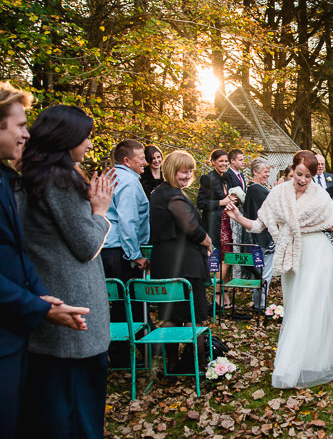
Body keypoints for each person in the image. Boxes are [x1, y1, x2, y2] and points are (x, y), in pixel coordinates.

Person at [226, 150, 333, 388]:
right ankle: (308, 355)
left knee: (310, 306)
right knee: (296, 305)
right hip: (292, 257)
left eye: (308, 176)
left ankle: (302, 362)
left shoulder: (320, 195)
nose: (302, 180)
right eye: (299, 174)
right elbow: (259, 225)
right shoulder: (278, 193)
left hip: (317, 254)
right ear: (292, 171)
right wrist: (238, 216)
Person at [16, 105, 116, 438]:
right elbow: (86, 244)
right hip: (74, 317)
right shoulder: (60, 181)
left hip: (55, 312)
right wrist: (100, 212)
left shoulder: (31, 175)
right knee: (77, 414)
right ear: (66, 137)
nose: (90, 144)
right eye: (86, 137)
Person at [0, 84, 89, 437]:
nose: (26, 133)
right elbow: (84, 243)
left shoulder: (9, 179)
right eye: (19, 125)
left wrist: (40, 296)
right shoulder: (53, 182)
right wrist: (99, 212)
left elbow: (17, 252)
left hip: (20, 326)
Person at [149, 151, 213, 372]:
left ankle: (173, 365)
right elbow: (191, 228)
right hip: (184, 266)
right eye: (183, 171)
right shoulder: (173, 196)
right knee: (191, 317)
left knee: (171, 316)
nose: (188, 175)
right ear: (171, 170)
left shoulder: (160, 192)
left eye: (191, 170)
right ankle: (202, 367)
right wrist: (207, 241)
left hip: (164, 263)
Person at [102, 139, 151, 367]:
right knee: (125, 303)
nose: (145, 162)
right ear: (127, 160)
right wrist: (134, 254)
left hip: (103, 247)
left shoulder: (109, 175)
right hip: (119, 250)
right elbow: (128, 219)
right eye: (141, 158)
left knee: (113, 302)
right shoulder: (129, 182)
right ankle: (123, 356)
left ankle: (124, 351)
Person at [197, 149, 234, 309]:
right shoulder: (208, 178)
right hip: (214, 225)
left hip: (228, 223)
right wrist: (221, 203)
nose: (224, 164)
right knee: (218, 259)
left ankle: (224, 291)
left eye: (226, 161)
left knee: (228, 258)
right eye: (221, 161)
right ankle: (218, 295)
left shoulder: (227, 178)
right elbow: (201, 203)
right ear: (213, 162)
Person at [241, 157, 275, 308]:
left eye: (268, 172)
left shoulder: (252, 188)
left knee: (262, 272)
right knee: (264, 273)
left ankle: (258, 303)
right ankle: (260, 305)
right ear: (255, 172)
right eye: (265, 172)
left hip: (258, 235)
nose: (267, 174)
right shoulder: (258, 190)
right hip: (262, 237)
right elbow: (274, 207)